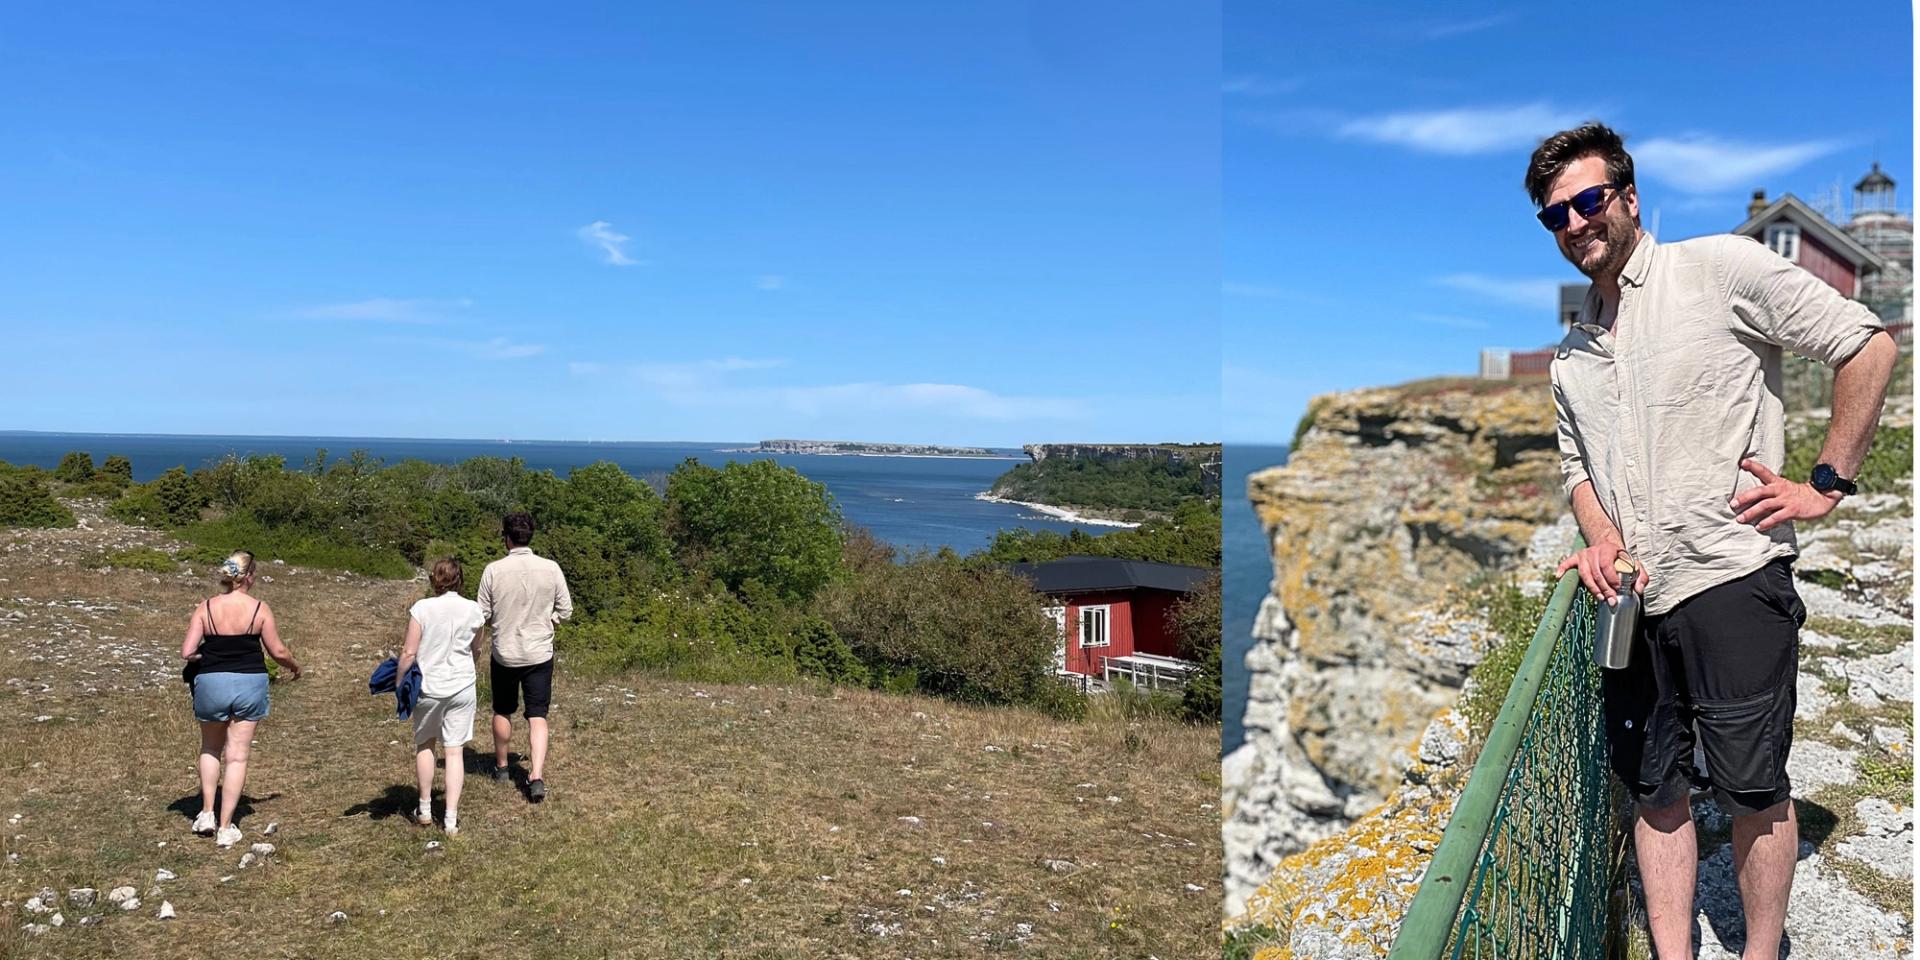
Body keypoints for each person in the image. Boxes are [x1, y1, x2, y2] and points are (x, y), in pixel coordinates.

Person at [1535, 123, 1896, 958]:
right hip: (1634, 599)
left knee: (1753, 787)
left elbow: (1865, 344)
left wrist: (1825, 486)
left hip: (1733, 576)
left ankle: (1760, 953)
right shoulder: (1570, 356)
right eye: (1557, 215)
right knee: (1656, 790)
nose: (1576, 223)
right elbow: (1577, 467)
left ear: (1627, 197)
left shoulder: (1718, 270)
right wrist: (1597, 538)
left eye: (1589, 201)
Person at [180, 551, 302, 847]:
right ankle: (226, 827)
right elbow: (278, 652)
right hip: (249, 683)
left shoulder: (205, 607)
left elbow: (187, 652)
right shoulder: (259, 608)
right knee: (237, 755)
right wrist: (294, 667)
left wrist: (209, 655)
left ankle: (206, 812)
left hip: (210, 682)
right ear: (249, 577)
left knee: (210, 747)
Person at [477, 511, 572, 802]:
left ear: (506, 538)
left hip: (505, 652)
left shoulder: (493, 570)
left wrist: (497, 623)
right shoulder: (551, 568)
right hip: (539, 652)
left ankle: (503, 767)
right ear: (530, 536)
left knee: (502, 709)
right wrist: (549, 620)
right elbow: (566, 611)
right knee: (537, 715)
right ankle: (536, 775)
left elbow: (481, 614)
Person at [396, 558, 484, 835]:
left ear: (434, 579)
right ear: (460, 579)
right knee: (454, 750)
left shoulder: (422, 608)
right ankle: (450, 818)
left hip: (429, 686)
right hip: (461, 685)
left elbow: (409, 652)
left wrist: (400, 682)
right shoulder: (473, 609)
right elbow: (477, 649)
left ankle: (424, 808)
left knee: (425, 744)